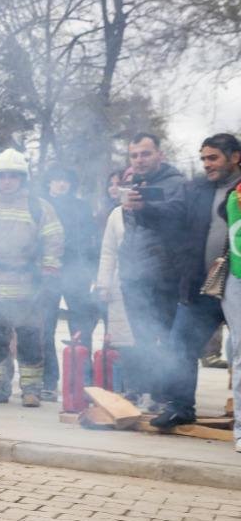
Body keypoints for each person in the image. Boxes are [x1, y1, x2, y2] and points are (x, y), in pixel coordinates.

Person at [120, 133, 241, 428]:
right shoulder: (196, 188)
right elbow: (173, 214)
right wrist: (144, 209)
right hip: (202, 285)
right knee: (180, 345)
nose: (207, 165)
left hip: (236, 283)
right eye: (203, 159)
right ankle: (180, 406)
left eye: (213, 158)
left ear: (235, 157)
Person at [0, 149, 64, 406]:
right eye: (2, 177)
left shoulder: (39, 208)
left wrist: (50, 271)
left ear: (22, 179)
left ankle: (31, 390)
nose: (6, 181)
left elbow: (53, 239)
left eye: (12, 176)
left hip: (27, 287)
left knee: (31, 341)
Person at [112, 133, 184, 410]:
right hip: (134, 274)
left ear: (159, 155)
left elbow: (177, 217)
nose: (139, 160)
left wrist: (146, 207)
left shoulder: (175, 184)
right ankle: (146, 392)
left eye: (145, 154)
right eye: (134, 155)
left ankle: (167, 396)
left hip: (164, 275)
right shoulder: (135, 184)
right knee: (141, 337)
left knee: (164, 337)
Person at [41, 165, 102, 399]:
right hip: (48, 273)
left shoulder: (81, 207)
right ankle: (49, 380)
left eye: (65, 180)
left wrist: (91, 270)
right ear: (49, 183)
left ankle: (84, 378)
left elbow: (91, 240)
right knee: (46, 327)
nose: (61, 184)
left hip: (77, 272)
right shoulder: (42, 206)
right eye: (56, 179)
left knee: (81, 327)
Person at [93, 202, 138, 397]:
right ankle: (130, 388)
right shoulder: (116, 214)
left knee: (148, 337)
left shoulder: (158, 209)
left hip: (151, 283)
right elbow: (108, 251)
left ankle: (152, 390)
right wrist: (104, 283)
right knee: (124, 340)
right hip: (120, 283)